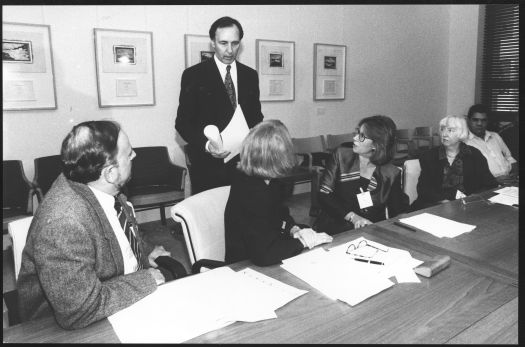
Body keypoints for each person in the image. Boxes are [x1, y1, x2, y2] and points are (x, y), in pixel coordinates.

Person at [17, 121, 186, 330]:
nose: (134, 156)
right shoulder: (64, 223)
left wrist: (145, 250)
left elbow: (118, 230)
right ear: (110, 173)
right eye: (129, 153)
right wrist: (145, 280)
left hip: (113, 295)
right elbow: (79, 311)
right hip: (68, 327)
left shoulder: (101, 187)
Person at [224, 120, 333, 266]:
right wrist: (302, 242)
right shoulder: (253, 191)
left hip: (265, 246)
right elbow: (264, 255)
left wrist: (293, 229)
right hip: (246, 264)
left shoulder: (268, 180)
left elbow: (278, 214)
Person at [176, 16, 264, 194]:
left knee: (244, 215)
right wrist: (208, 146)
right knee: (211, 217)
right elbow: (183, 123)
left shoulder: (250, 75)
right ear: (212, 43)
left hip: (244, 162)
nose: (230, 50)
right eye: (223, 43)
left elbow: (256, 117)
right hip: (208, 166)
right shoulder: (194, 75)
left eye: (235, 43)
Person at [313, 115, 409, 235]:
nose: (355, 138)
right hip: (336, 225)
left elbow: (398, 210)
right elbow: (324, 195)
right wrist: (353, 217)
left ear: (376, 145)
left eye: (362, 136)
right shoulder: (341, 155)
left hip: (370, 230)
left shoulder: (390, 173)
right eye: (357, 132)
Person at [412, 115, 498, 211]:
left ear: (461, 133)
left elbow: (490, 184)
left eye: (450, 130)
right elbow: (423, 189)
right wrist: (441, 201)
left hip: (467, 207)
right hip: (433, 205)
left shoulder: (474, 155)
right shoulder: (429, 156)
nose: (444, 134)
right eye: (442, 129)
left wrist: (472, 198)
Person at [464, 104, 517, 183]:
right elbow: (469, 176)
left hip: (510, 181)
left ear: (487, 121)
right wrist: (494, 181)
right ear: (468, 120)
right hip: (488, 186)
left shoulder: (495, 136)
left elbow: (509, 157)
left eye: (483, 120)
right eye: (475, 120)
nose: (479, 124)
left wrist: (515, 173)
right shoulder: (465, 142)